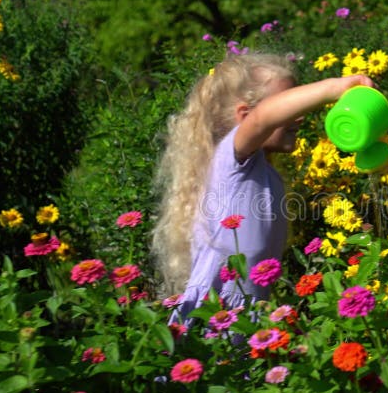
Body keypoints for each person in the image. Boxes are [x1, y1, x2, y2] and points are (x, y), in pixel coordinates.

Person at [152, 52, 374, 324]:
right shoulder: (228, 165)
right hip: (207, 325)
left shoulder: (263, 173)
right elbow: (262, 120)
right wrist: (333, 88)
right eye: (291, 108)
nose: (299, 118)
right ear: (245, 116)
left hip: (243, 325)